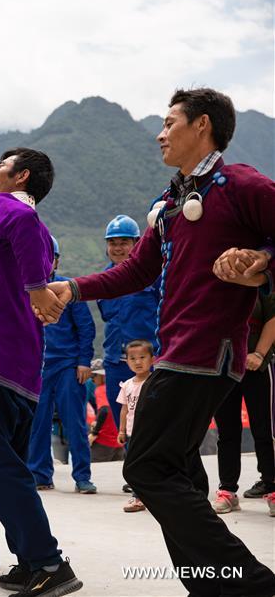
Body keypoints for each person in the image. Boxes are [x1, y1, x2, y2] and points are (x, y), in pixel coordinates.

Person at [44, 88, 275, 595]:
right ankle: (211, 584)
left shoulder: (241, 185)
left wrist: (261, 264)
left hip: (206, 351)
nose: (160, 132)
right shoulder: (171, 204)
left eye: (171, 122)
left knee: (145, 467)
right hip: (177, 349)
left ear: (204, 126)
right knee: (181, 473)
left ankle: (254, 585)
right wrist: (74, 288)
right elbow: (135, 270)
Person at [0, 148, 83, 597]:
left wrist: (36, 288)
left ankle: (48, 560)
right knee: (6, 465)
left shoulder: (5, 206)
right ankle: (30, 562)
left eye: (1, 166)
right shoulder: (38, 234)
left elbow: (21, 267)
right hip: (19, 365)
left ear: (20, 176)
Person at [28, 236, 97, 494]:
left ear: (56, 260)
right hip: (38, 368)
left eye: (51, 257)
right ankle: (40, 475)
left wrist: (83, 361)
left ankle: (82, 477)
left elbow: (86, 328)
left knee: (75, 422)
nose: (46, 261)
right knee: (38, 423)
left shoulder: (67, 289)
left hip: (68, 365)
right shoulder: (27, 290)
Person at [211, 292, 275, 513]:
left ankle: (272, 488)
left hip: (256, 364)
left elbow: (272, 318)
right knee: (227, 432)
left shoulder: (264, 281)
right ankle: (227, 490)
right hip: (222, 366)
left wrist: (259, 353)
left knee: (263, 430)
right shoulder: (214, 279)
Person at [96, 215, 160, 429]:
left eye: (124, 242)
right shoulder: (102, 280)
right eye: (112, 242)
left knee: (154, 422)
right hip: (116, 364)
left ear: (137, 243)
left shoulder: (152, 275)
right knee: (123, 424)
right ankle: (132, 463)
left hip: (149, 363)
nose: (117, 248)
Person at [115, 340, 153, 513]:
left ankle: (146, 496)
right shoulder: (127, 385)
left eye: (142, 357)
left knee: (151, 465)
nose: (138, 362)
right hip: (132, 433)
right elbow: (124, 409)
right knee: (132, 466)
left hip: (151, 433)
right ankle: (138, 495)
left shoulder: (155, 382)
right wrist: (122, 430)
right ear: (127, 361)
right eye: (132, 358)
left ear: (153, 359)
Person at [86, 360, 124, 463]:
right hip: (119, 441)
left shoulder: (101, 389)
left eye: (94, 376)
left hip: (103, 441)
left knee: (97, 473)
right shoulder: (117, 387)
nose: (92, 380)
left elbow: (104, 410)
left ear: (101, 376)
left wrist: (94, 433)